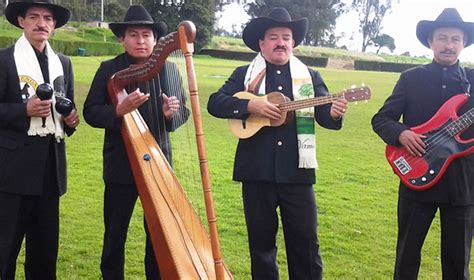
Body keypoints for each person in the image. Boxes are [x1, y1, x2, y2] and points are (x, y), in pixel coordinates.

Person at [207, 7, 348, 279]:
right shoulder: (244, 74)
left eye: (286, 36)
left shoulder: (310, 76)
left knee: (306, 244)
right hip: (256, 172)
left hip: (298, 172)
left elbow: (324, 115)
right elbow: (215, 102)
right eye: (273, 37)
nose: (280, 42)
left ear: (293, 43)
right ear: (262, 43)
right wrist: (251, 105)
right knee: (261, 246)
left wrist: (333, 113)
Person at [83, 5, 189, 279]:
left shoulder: (169, 71)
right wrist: (118, 111)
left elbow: (183, 113)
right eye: (134, 34)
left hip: (159, 164)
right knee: (115, 233)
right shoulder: (109, 69)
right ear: (123, 38)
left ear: (155, 39)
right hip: (121, 165)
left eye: (146, 35)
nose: (141, 40)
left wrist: (170, 116)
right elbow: (90, 112)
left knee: (158, 234)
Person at [372, 8, 474, 280]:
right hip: (415, 177)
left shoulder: (473, 82)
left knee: (458, 261)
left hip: (462, 183)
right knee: (407, 255)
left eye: (455, 39)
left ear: (463, 43)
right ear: (431, 42)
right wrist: (402, 134)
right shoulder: (411, 78)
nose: (449, 45)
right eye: (442, 38)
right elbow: (382, 119)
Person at [0, 0, 79, 278]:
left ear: (54, 25)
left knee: (45, 252)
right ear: (21, 21)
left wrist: (71, 121)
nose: (41, 23)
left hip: (50, 170)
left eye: (47, 18)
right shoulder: (4, 59)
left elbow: (68, 110)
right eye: (33, 17)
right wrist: (24, 109)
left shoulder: (64, 64)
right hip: (12, 171)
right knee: (4, 249)